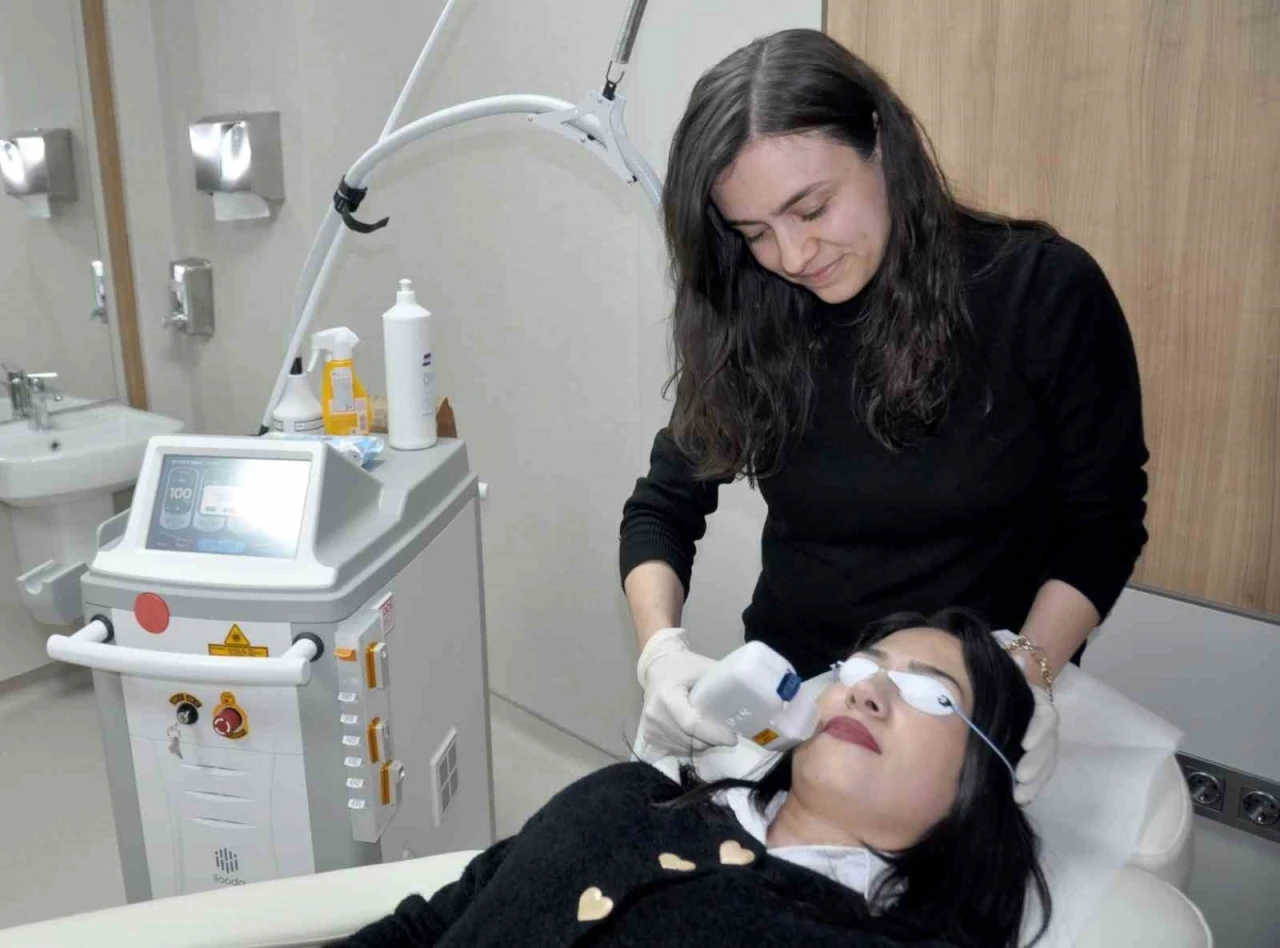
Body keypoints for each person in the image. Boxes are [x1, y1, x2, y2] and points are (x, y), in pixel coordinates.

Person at [619, 29, 1148, 800]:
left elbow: (1105, 523)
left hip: (954, 712)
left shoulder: (1039, 292)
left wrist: (1028, 672)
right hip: (796, 701)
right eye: (755, 232)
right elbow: (663, 507)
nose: (793, 255)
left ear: (878, 138)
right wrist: (660, 653)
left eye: (811, 208)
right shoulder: (755, 310)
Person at [330, 609, 1051, 948]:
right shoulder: (632, 795)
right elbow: (431, 925)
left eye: (932, 694)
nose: (869, 693)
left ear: (978, 790)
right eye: (862, 667)